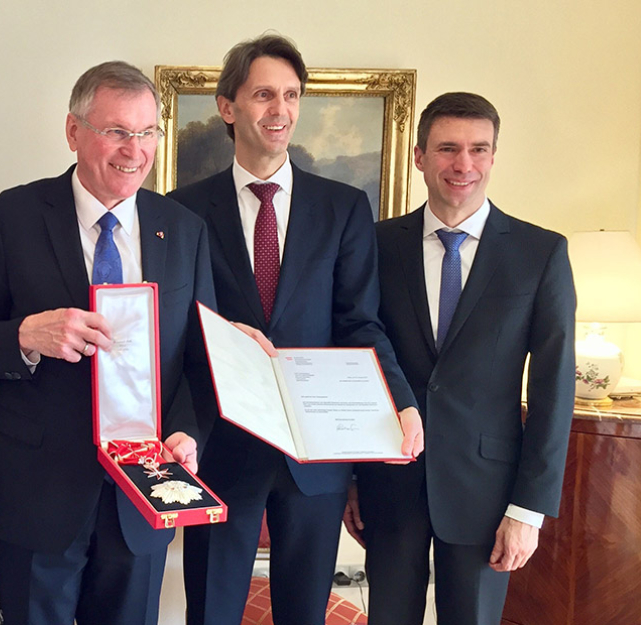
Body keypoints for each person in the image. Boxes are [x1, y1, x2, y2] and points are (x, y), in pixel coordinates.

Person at [167, 34, 424, 625]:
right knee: (211, 610)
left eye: (290, 95)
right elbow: (178, 330)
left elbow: (360, 322)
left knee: (305, 613)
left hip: (317, 453)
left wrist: (402, 403)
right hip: (222, 445)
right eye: (263, 94)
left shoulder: (343, 207)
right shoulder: (182, 210)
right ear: (228, 107)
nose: (279, 109)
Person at [0, 60, 217, 625]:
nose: (134, 149)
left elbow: (203, 359)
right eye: (117, 131)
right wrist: (27, 337)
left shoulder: (185, 230)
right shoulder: (12, 216)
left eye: (146, 132)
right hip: (38, 497)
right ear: (74, 132)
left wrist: (188, 431)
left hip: (143, 496)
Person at [345, 92, 576, 625]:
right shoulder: (376, 246)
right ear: (420, 156)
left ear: (494, 156)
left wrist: (528, 509)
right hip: (389, 479)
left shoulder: (540, 254)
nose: (463, 164)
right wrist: (353, 478)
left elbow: (553, 391)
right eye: (448, 148)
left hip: (488, 492)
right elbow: (360, 357)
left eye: (479, 149)